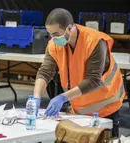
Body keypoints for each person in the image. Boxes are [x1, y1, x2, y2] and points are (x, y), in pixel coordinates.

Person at [32, 8, 125, 137]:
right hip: (78, 110)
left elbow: (93, 80)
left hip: (105, 109)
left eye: (56, 34)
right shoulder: (54, 45)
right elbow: (45, 72)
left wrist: (62, 97)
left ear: (70, 28)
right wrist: (36, 97)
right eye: (50, 34)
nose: (53, 38)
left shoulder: (95, 42)